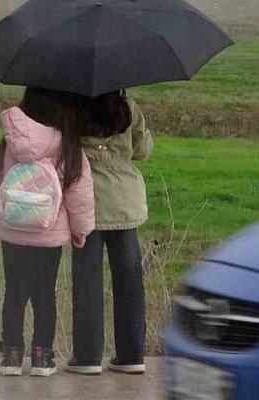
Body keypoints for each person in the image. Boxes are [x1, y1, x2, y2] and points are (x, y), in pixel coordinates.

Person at [0, 87, 95, 377]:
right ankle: (42, 357)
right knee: (44, 294)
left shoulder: (8, 144)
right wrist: (81, 229)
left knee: (14, 293)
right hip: (49, 234)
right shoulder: (68, 145)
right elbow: (79, 192)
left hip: (13, 231)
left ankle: (11, 356)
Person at [65, 90, 153, 376]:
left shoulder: (73, 108)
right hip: (124, 201)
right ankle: (131, 355)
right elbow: (142, 151)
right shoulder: (128, 107)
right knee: (129, 280)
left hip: (86, 200)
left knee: (87, 279)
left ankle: (88, 356)